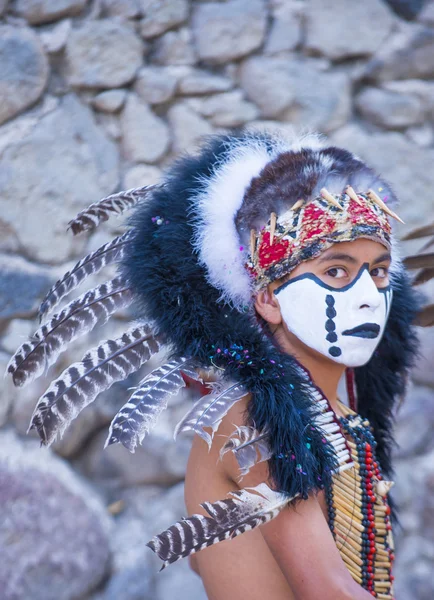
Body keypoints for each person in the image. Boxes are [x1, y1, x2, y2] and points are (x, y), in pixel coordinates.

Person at [8, 130, 428, 599]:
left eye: (379, 272)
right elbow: (330, 591)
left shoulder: (332, 418)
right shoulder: (258, 423)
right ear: (268, 299)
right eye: (336, 272)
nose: (369, 297)